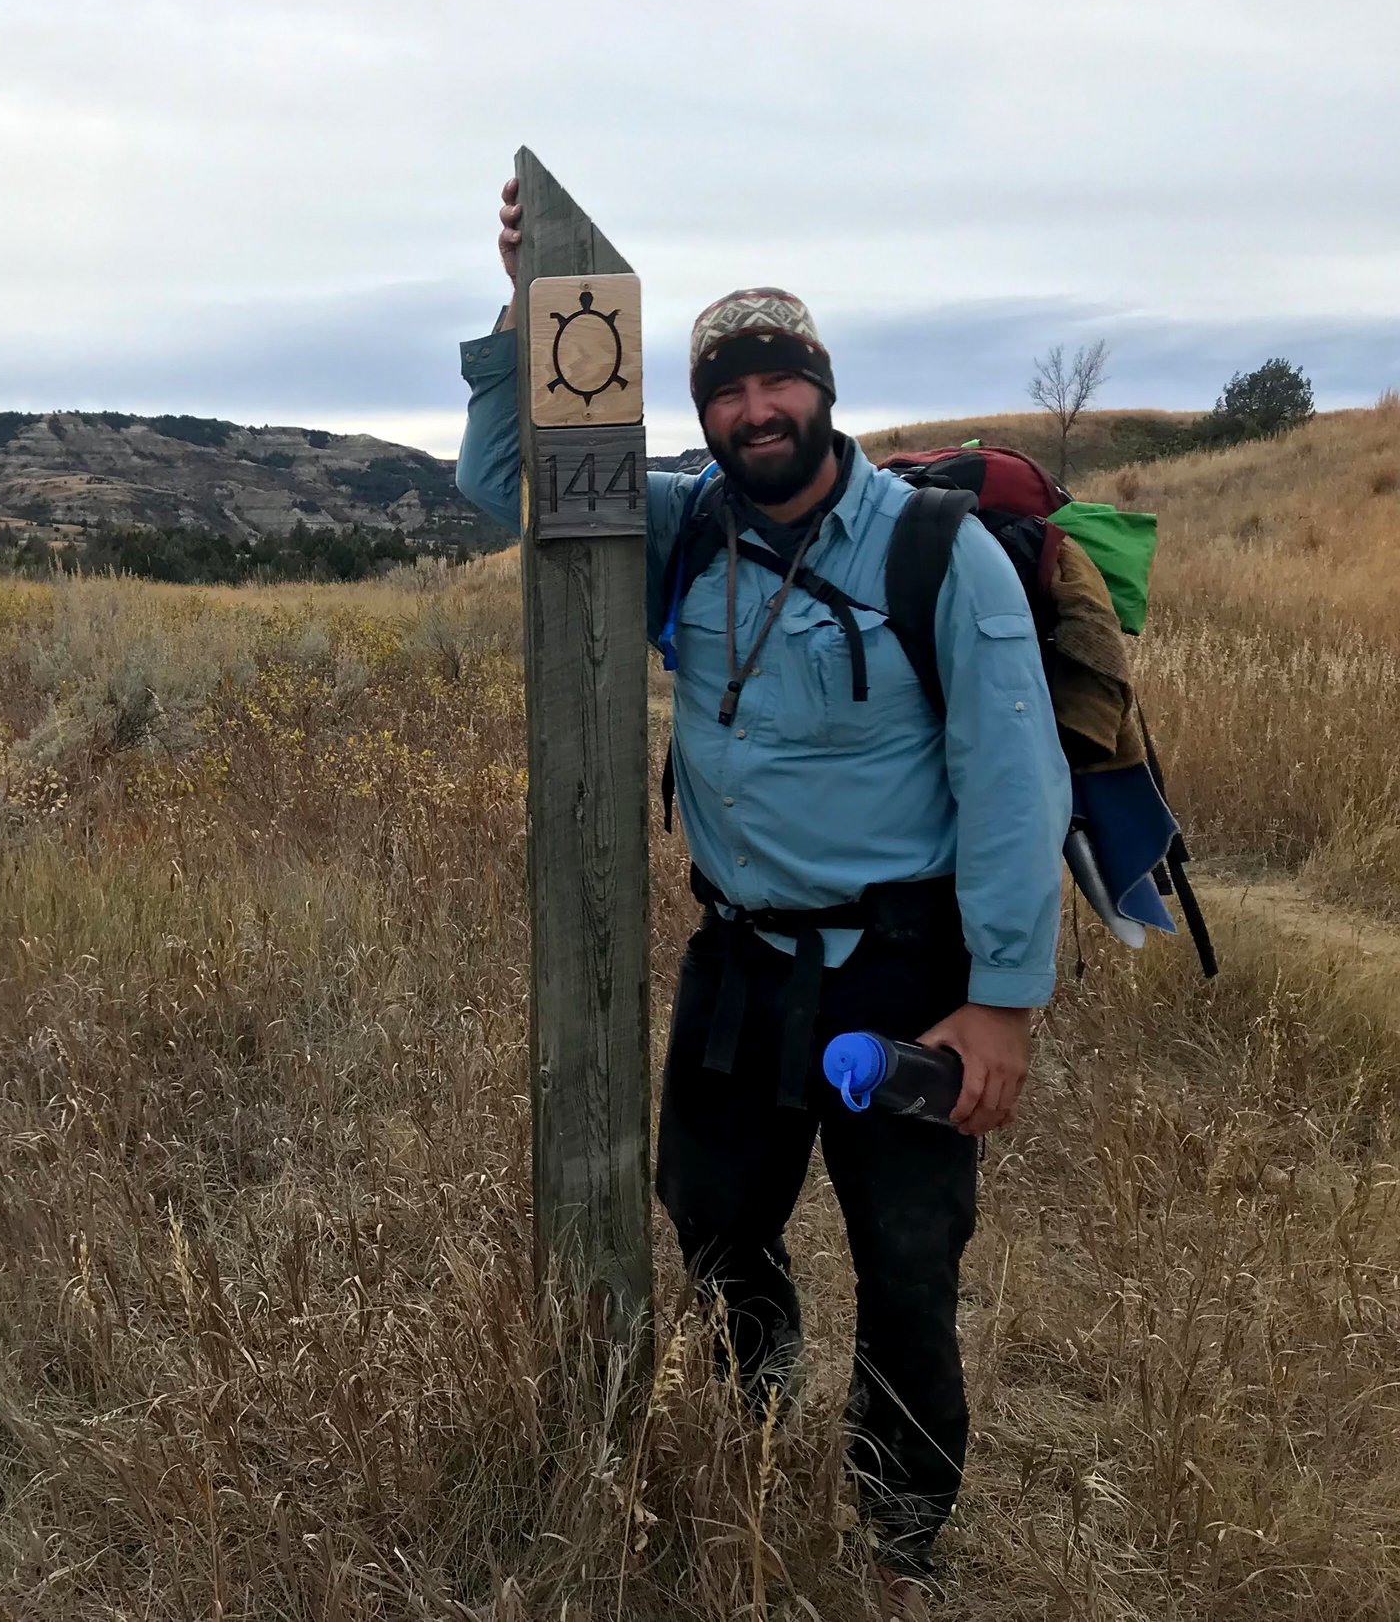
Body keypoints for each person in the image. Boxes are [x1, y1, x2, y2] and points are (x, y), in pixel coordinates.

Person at [456, 181, 1069, 1616]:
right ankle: (758, 1417)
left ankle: (899, 1540)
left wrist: (1004, 1005)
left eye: (778, 377)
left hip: (906, 981)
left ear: (826, 392)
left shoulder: (935, 553)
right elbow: (512, 486)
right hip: (740, 970)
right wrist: (526, 311)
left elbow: (1016, 781)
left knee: (909, 1265)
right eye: (724, 390)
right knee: (716, 1217)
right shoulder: (673, 530)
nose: (754, 409)